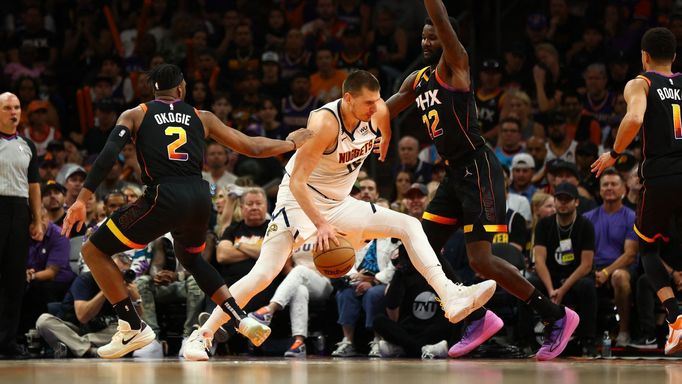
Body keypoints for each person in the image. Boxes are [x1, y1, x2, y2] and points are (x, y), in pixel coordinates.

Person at [185, 70, 496, 361]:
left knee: (409, 224)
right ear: (348, 99)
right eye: (368, 103)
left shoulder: (378, 113)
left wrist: (385, 137)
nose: (375, 108)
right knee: (263, 274)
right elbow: (296, 180)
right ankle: (203, 335)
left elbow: (387, 116)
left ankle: (450, 296)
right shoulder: (324, 123)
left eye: (377, 101)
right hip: (298, 199)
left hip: (338, 201)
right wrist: (320, 224)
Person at [60, 64, 313, 359]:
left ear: (153, 90)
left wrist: (82, 198)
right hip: (199, 196)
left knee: (93, 250)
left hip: (164, 195)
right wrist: (292, 142)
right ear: (181, 89)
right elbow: (251, 146)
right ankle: (238, 317)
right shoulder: (201, 116)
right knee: (190, 257)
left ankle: (131, 326)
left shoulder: (136, 113)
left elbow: (106, 156)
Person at [385, 0, 578, 361]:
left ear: (446, 39)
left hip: (478, 167)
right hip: (453, 173)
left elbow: (441, 18)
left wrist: (436, 15)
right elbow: (385, 108)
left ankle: (555, 317)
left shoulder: (455, 64)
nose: (427, 43)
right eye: (423, 38)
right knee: (417, 251)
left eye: (433, 38)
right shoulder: (417, 79)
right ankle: (477, 316)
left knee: (481, 261)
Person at [592, 27, 682, 355]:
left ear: (643, 56)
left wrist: (613, 154)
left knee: (647, 250)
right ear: (673, 57)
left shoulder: (641, 82)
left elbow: (633, 118)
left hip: (660, 177)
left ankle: (675, 316)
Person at [0, 92, 43, 359]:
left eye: (16, 107)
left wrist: (36, 219)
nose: (13, 112)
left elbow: (34, 186)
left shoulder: (27, 145)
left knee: (14, 280)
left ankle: (6, 342)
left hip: (19, 210)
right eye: (7, 108)